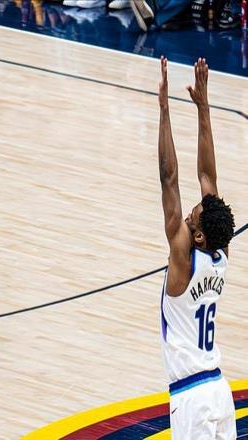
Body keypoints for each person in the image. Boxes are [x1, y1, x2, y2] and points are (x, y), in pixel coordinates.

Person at [157, 56, 236, 439]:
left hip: (192, 398)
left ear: (199, 235)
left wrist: (164, 110)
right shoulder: (220, 254)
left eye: (197, 211)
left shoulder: (183, 261)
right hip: (219, 390)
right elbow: (207, 175)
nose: (196, 205)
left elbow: (169, 178)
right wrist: (204, 108)